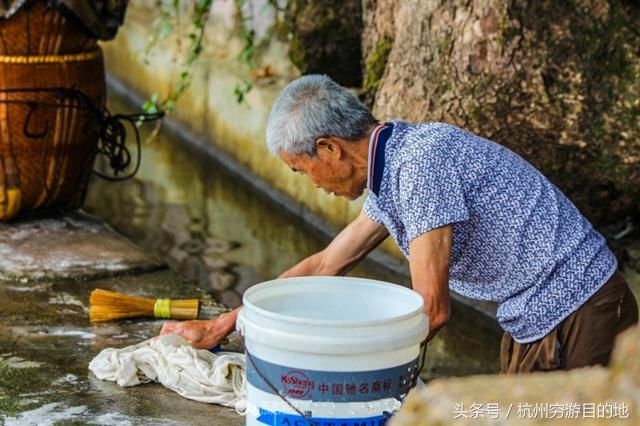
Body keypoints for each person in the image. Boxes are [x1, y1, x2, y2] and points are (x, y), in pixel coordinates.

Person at [161, 74, 638, 373]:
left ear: (329, 148)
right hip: (535, 317)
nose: (311, 184)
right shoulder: (394, 166)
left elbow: (431, 311)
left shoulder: (418, 168)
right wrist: (224, 324)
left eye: (301, 170)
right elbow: (327, 263)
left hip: (580, 310)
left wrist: (334, 370)